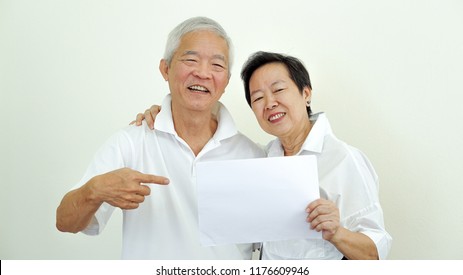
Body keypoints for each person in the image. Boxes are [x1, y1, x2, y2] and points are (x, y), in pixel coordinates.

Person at [136, 51, 392, 259]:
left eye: (279, 90)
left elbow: (376, 253)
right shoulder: (262, 158)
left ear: (306, 93)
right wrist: (167, 113)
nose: (269, 103)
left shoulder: (343, 159)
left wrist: (337, 232)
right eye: (257, 98)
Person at [56, 17, 265, 260]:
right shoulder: (131, 142)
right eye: (190, 60)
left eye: (217, 65)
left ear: (226, 82)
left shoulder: (253, 155)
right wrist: (95, 190)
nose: (203, 73)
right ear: (165, 69)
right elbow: (65, 222)